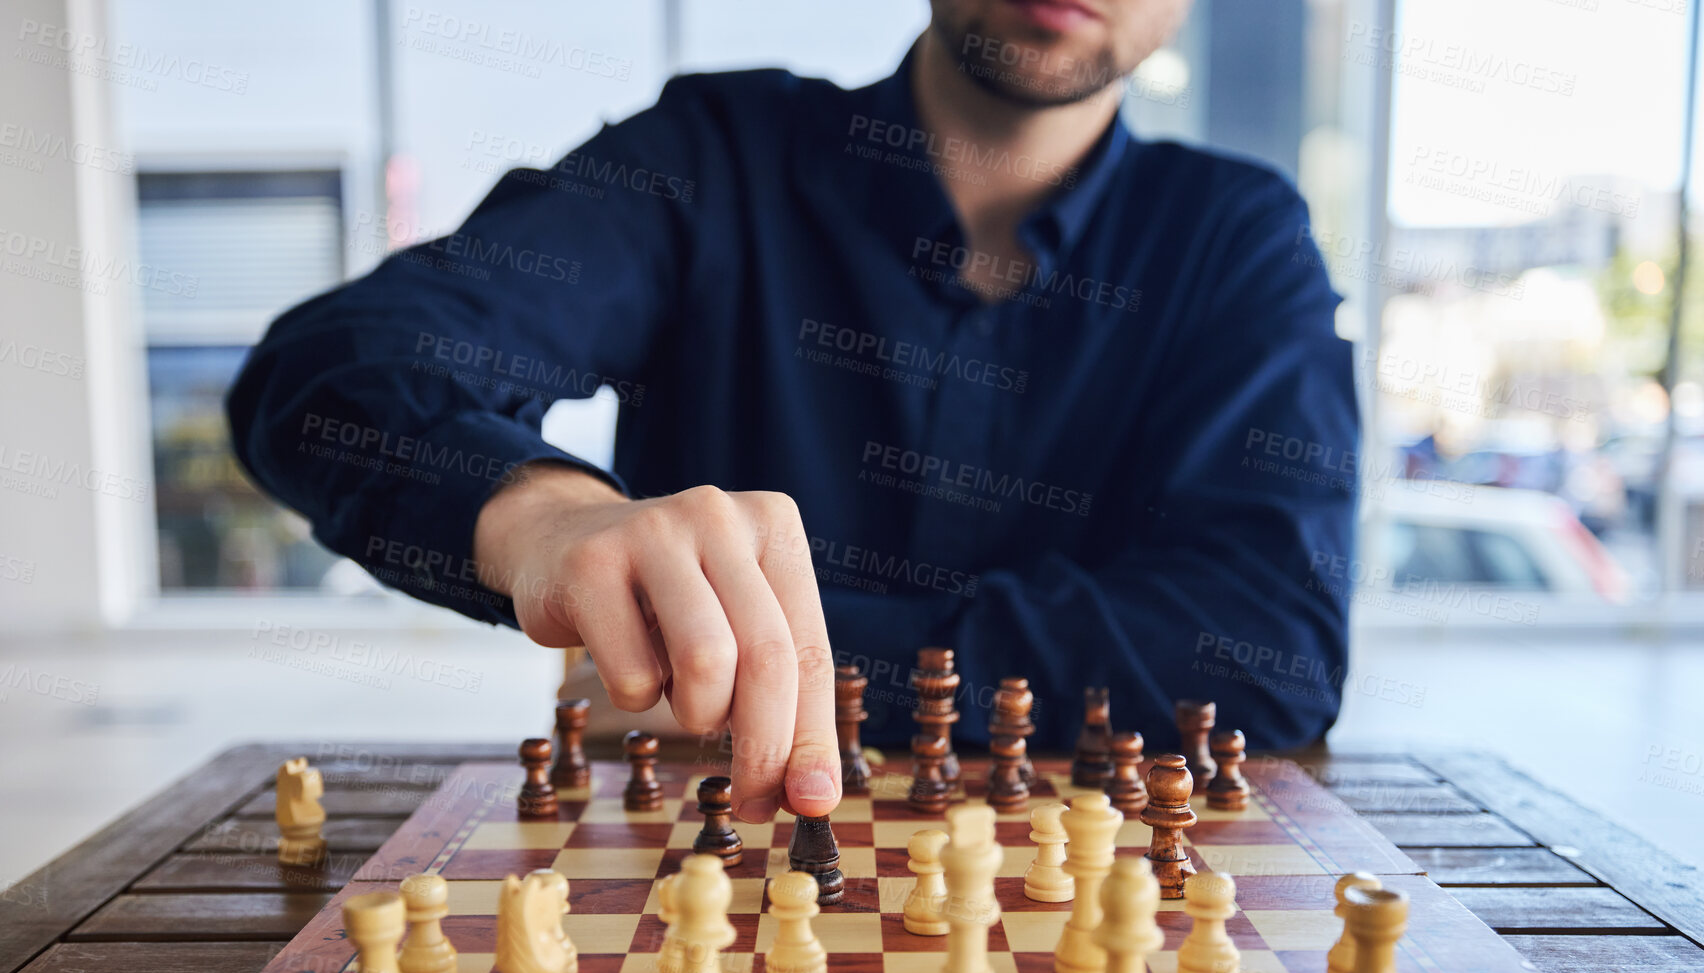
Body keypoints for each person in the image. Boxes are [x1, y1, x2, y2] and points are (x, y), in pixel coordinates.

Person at [227, 0, 1358, 826]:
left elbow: (1269, 646)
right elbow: (324, 373)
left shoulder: (1236, 235)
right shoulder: (707, 158)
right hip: (702, 873)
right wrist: (545, 520)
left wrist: (724, 657)